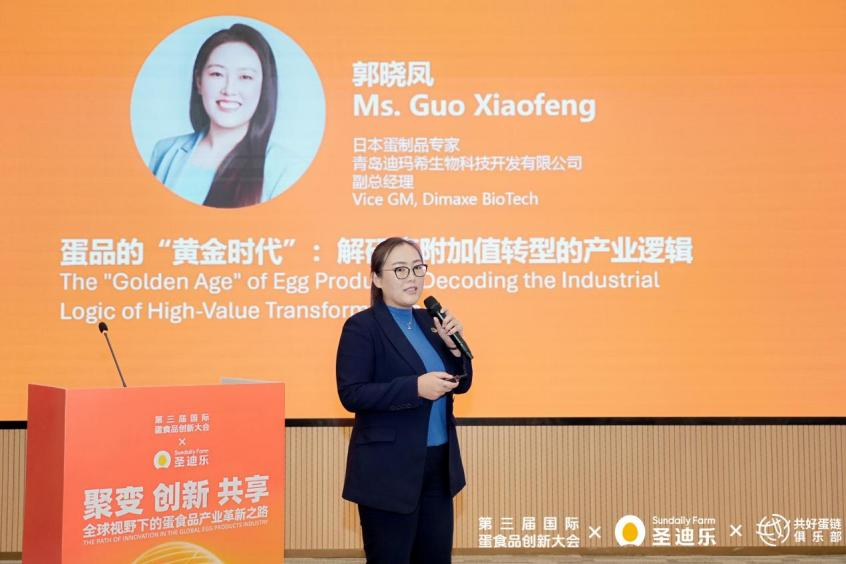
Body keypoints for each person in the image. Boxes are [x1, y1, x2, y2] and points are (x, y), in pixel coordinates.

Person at [336, 237, 473, 563]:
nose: (412, 278)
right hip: (389, 471)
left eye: (417, 268)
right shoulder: (362, 327)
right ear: (376, 278)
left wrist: (454, 350)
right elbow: (352, 393)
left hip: (438, 466)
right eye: (400, 270)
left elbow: (461, 384)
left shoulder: (430, 322)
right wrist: (414, 388)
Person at [149, 23, 300, 208]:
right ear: (199, 81)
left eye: (245, 77)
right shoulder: (165, 151)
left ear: (264, 87)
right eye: (217, 74)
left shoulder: (286, 169)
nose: (229, 89)